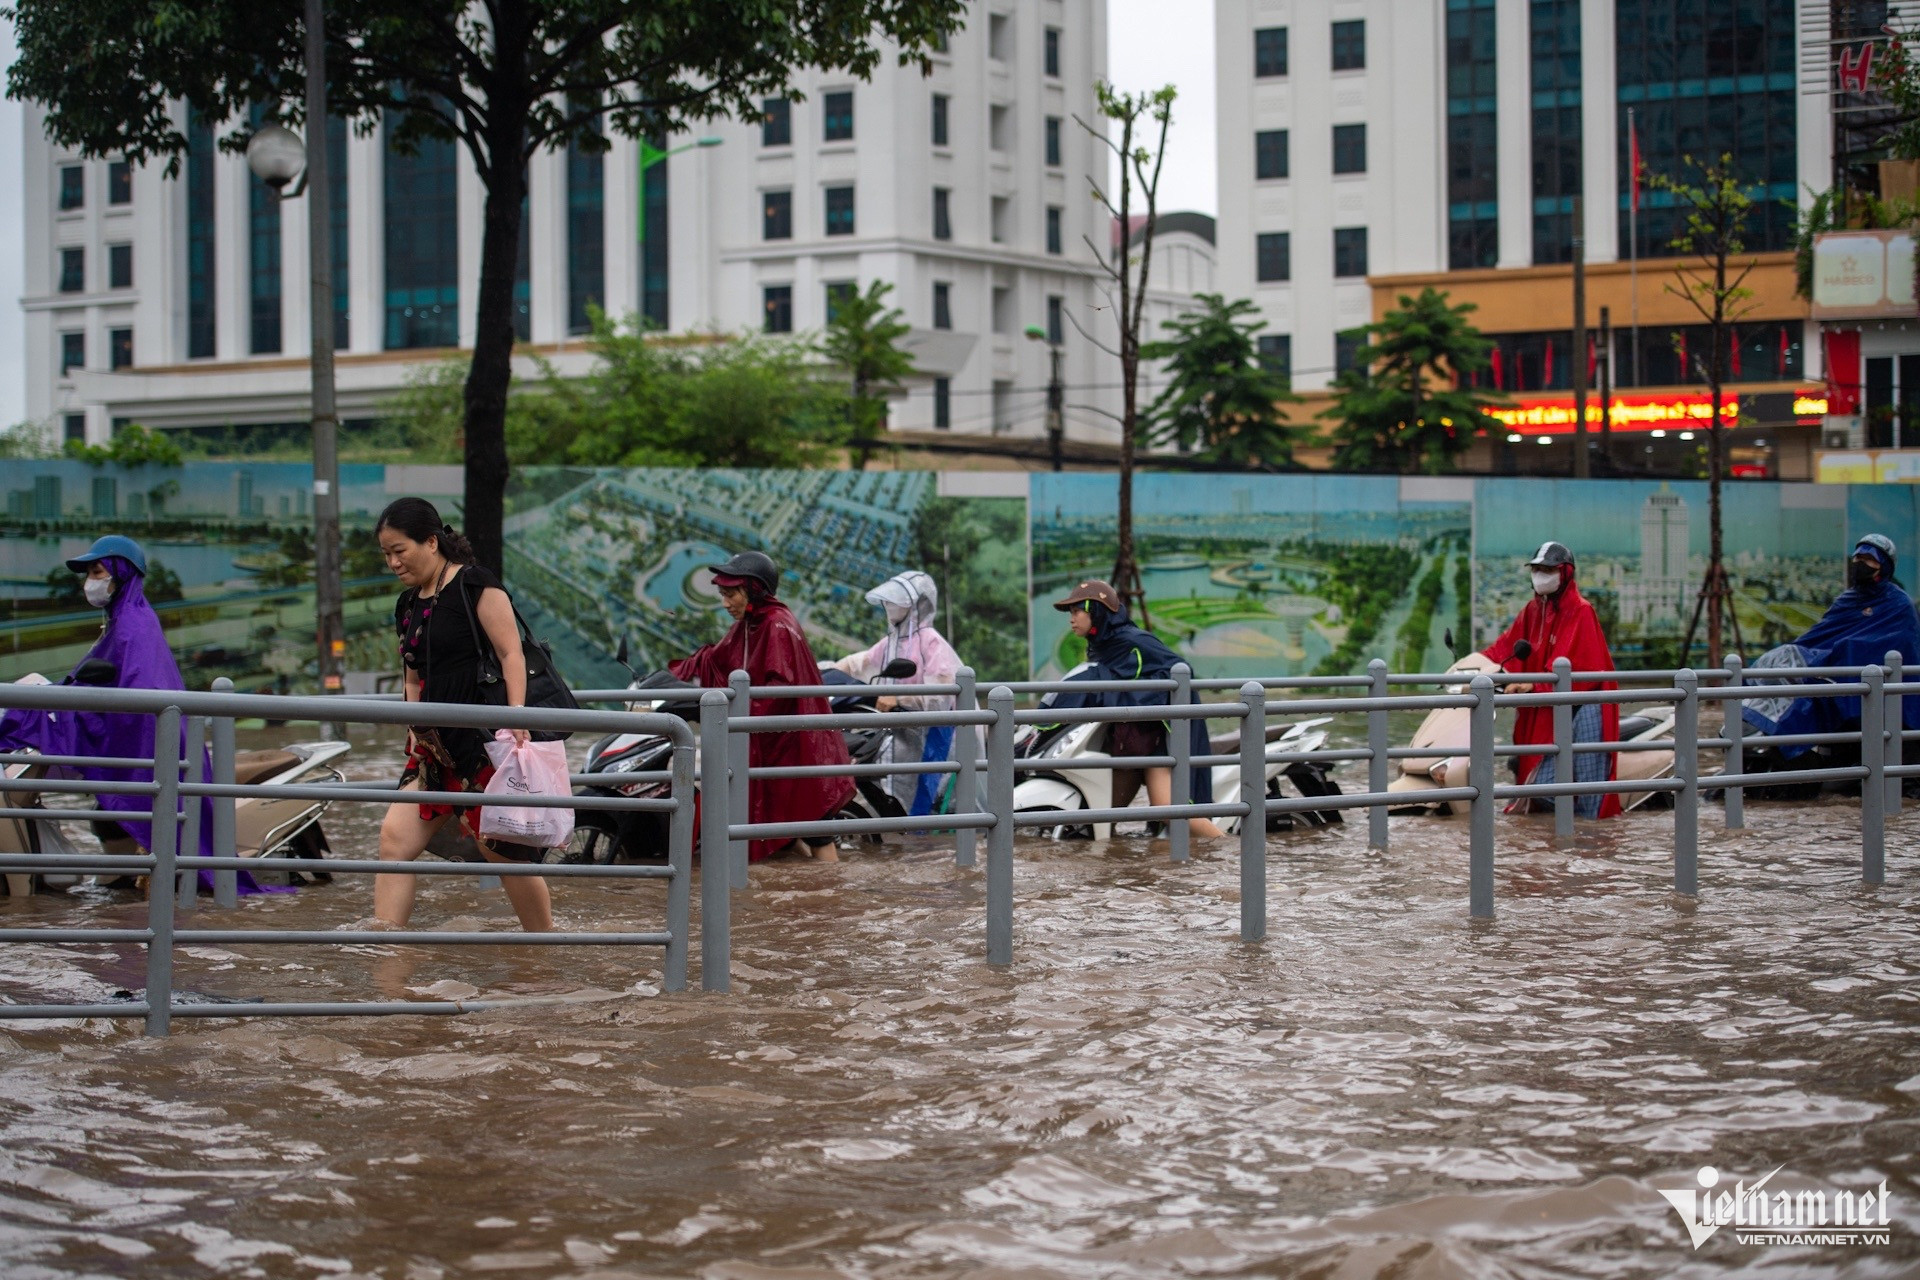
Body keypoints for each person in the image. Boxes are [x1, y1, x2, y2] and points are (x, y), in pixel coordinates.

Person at [0, 535, 282, 893]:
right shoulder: (122, 620)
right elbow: (98, 682)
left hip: (147, 739)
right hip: (145, 733)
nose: (90, 581)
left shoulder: (133, 626)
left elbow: (135, 697)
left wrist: (65, 711)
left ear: (121, 574)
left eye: (97, 571)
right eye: (88, 573)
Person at [374, 498, 552, 932]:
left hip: (482, 744)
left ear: (431, 542)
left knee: (503, 854)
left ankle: (544, 945)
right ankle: (386, 947)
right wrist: (414, 727)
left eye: (400, 550)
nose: (393, 562)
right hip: (435, 749)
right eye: (386, 554)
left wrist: (516, 717)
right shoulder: (407, 604)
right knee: (394, 842)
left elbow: (511, 654)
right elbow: (412, 677)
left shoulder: (476, 584)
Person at [670, 551, 854, 861]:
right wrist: (675, 678)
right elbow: (715, 658)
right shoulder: (749, 624)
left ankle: (834, 887)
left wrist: (737, 715)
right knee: (784, 825)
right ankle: (806, 883)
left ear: (754, 590)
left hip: (796, 745)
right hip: (771, 744)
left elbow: (779, 690)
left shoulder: (777, 625)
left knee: (816, 828)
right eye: (722, 594)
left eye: (731, 594)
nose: (725, 603)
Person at [1049, 580, 1224, 839]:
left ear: (1096, 612)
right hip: (1128, 740)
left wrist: (1127, 696)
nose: (1071, 619)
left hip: (1160, 736)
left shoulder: (1133, 641)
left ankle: (1230, 849)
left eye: (1077, 611)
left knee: (1167, 809)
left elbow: (1181, 671)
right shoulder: (1101, 645)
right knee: (1104, 812)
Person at [1480, 541, 1622, 819]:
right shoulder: (1532, 611)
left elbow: (1582, 667)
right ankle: (1565, 831)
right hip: (1549, 705)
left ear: (1564, 573)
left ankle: (1592, 837)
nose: (1540, 576)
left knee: (1588, 793)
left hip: (1584, 705)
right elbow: (1505, 647)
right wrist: (1476, 665)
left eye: (1547, 570)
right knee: (1538, 788)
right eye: (1536, 569)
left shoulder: (1580, 610)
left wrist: (1535, 684)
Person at [1742, 534, 1920, 755]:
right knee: (1783, 657)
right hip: (1834, 667)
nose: (1861, 564)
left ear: (1883, 566)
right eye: (1858, 558)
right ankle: (1760, 727)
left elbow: (1898, 646)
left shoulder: (1899, 604)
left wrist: (1845, 650)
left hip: (1867, 680)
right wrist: (1804, 655)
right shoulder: (1848, 599)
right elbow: (1819, 635)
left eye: (1869, 560)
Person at [832, 570, 964, 816]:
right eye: (888, 601)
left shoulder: (930, 642)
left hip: (936, 733)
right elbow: (859, 663)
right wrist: (824, 670)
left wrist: (900, 698)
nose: (890, 606)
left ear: (918, 604)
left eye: (897, 601)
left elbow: (940, 695)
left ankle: (926, 835)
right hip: (902, 727)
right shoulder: (892, 641)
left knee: (926, 796)